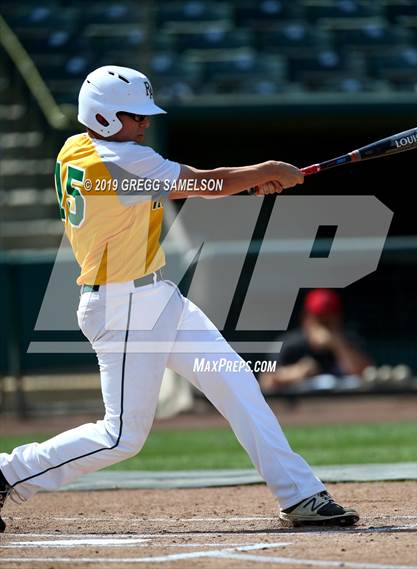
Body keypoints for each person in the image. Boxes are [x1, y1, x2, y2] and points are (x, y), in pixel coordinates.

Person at [0, 66, 359, 532]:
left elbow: (192, 185)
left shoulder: (77, 148)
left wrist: (249, 182)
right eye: (134, 116)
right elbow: (202, 183)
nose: (144, 124)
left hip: (156, 298)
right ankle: (8, 472)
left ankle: (301, 495)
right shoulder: (119, 160)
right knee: (121, 437)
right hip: (123, 308)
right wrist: (265, 172)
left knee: (238, 386)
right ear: (104, 118)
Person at [260, 288, 372, 391]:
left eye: (329, 320)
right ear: (306, 318)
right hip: (300, 410)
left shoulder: (350, 342)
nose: (324, 326)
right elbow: (266, 381)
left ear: (338, 318)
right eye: (319, 319)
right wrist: (296, 372)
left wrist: (338, 345)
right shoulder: (289, 345)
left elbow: (368, 376)